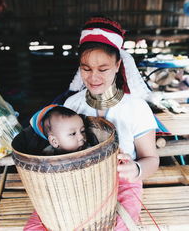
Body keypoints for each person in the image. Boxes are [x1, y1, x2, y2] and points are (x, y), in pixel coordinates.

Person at [24, 17, 159, 230]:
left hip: (122, 186)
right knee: (42, 224)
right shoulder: (72, 104)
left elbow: (151, 159)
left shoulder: (136, 107)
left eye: (103, 69)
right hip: (77, 183)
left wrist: (136, 169)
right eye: (86, 68)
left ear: (117, 65)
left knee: (117, 226)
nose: (93, 77)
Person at [29, 104, 99, 155]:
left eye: (82, 131)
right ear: (54, 141)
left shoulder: (90, 152)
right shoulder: (46, 156)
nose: (81, 137)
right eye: (73, 134)